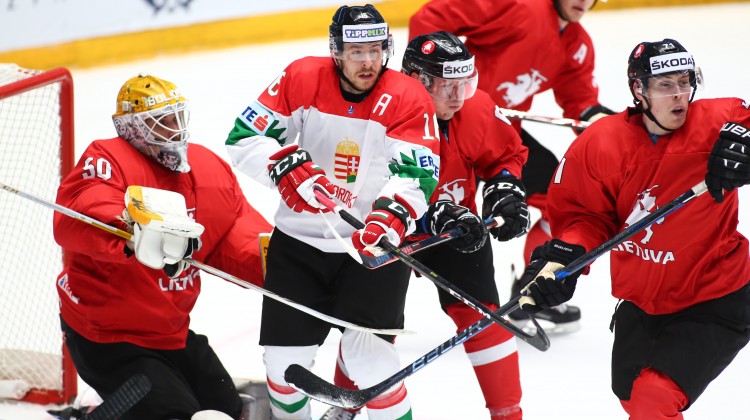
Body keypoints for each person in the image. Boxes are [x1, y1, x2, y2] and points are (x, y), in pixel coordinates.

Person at [225, 4, 440, 420]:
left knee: (373, 366)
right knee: (283, 367)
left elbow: (417, 171)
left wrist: (390, 215)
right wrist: (283, 167)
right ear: (336, 51)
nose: (368, 62)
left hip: (371, 250)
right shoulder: (302, 77)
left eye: (376, 50)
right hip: (299, 245)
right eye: (357, 52)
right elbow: (245, 136)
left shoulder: (408, 96)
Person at [516, 38, 750, 419]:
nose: (679, 95)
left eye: (685, 82)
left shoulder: (721, 121)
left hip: (715, 297)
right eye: (666, 85)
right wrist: (567, 257)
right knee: (631, 393)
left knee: (653, 398)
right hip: (642, 299)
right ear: (639, 90)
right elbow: (585, 218)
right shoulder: (601, 144)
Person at [326, 31, 531, 420]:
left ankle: (509, 415)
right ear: (417, 81)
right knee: (370, 331)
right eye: (446, 86)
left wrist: (504, 188)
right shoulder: (374, 114)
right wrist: (428, 214)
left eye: (463, 84)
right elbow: (356, 190)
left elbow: (505, 155)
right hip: (387, 232)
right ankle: (342, 407)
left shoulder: (477, 108)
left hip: (457, 226)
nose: (458, 97)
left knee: (484, 318)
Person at [53, 74, 272, 420]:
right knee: (176, 415)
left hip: (171, 330)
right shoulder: (108, 159)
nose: (174, 129)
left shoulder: (206, 167)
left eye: (176, 118)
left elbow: (234, 231)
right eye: (161, 122)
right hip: (109, 336)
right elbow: (84, 207)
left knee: (228, 409)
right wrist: (127, 228)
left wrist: (282, 266)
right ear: (131, 128)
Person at [409, 0, 616, 332]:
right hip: (445, 130)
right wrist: (438, 87)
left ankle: (531, 290)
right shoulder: (517, 6)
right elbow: (429, 19)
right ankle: (367, 302)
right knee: (418, 211)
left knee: (561, 199)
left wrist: (596, 118)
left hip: (501, 138)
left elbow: (579, 100)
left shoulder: (577, 44)